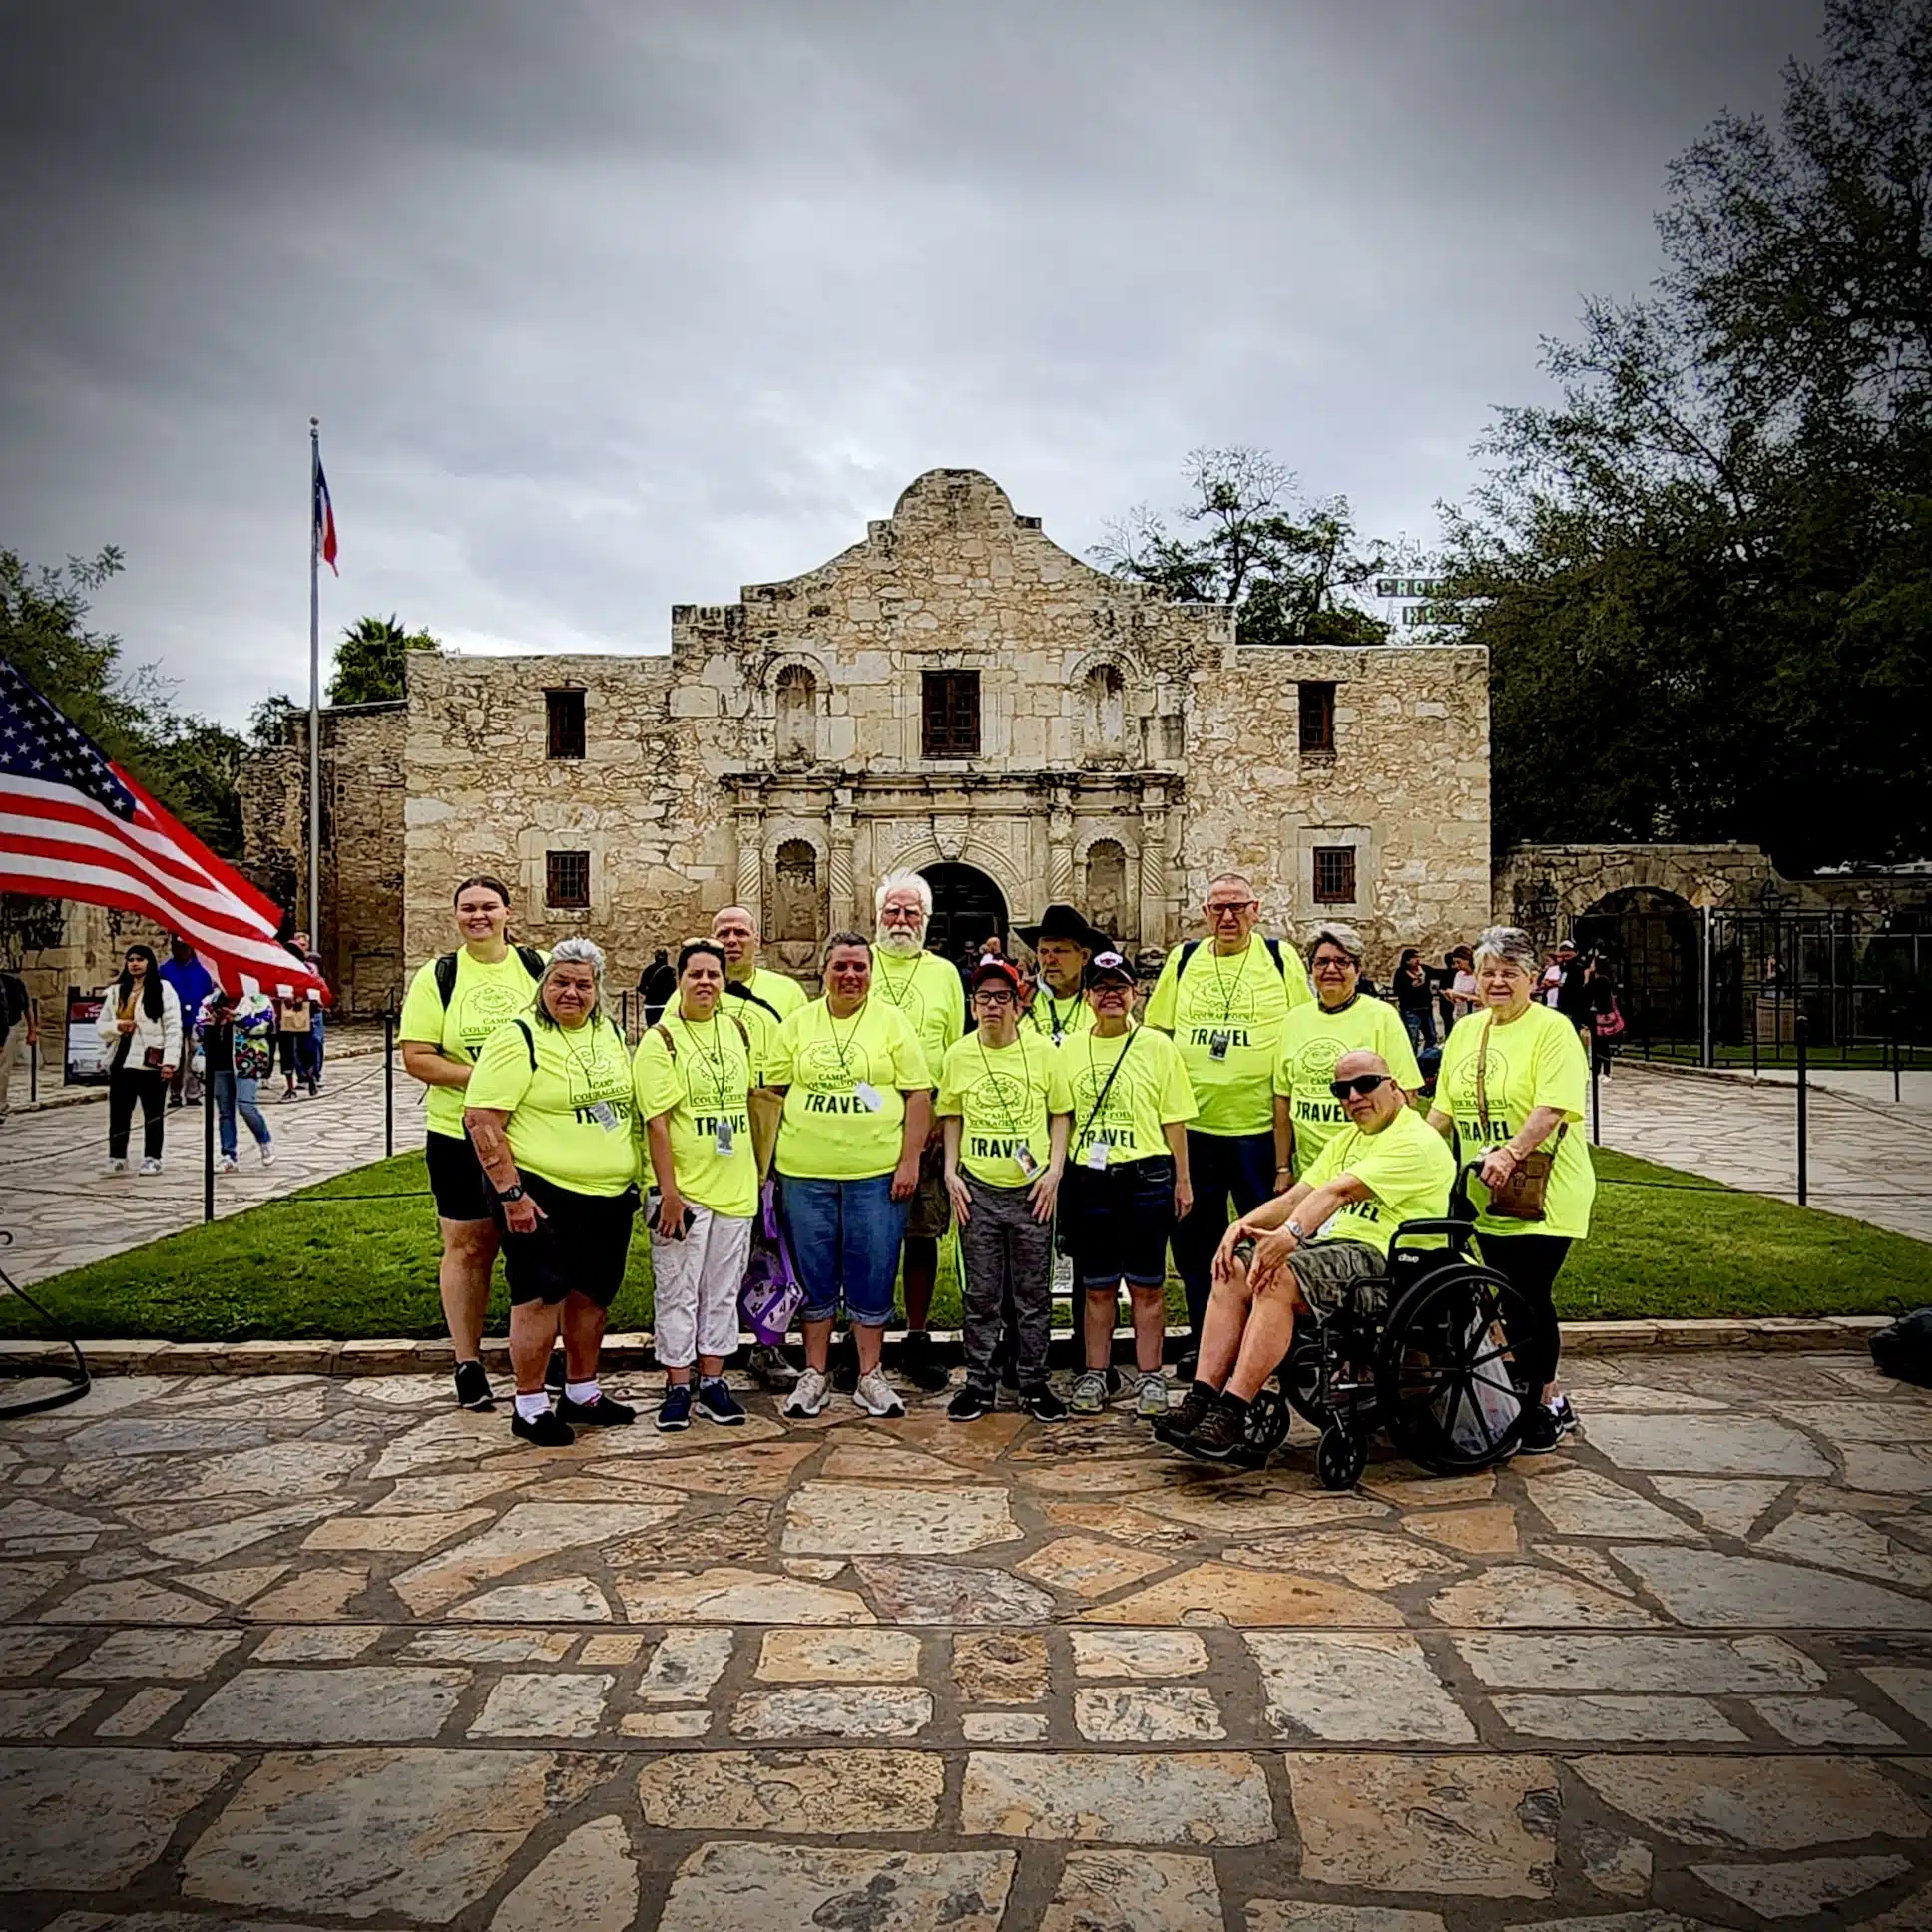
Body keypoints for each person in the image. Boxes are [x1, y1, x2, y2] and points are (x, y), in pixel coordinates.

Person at [1170, 1049, 1454, 1459]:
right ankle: (1202, 1397)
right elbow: (1300, 1195)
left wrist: (1289, 1235)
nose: (1354, 1096)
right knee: (1231, 1269)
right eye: (1342, 1090)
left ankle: (1234, 1409)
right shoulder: (1349, 1139)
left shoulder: (1417, 1141)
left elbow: (1336, 1194)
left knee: (1280, 1274)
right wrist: (1239, 1226)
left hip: (1389, 1259)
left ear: (1394, 1086)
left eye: (1366, 1084)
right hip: (1334, 1249)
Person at [465, 938, 640, 1447]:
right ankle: (530, 1402)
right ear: (543, 985)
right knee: (540, 1296)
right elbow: (481, 1119)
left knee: (591, 1297)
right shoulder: (516, 1038)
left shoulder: (607, 1032)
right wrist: (510, 1193)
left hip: (607, 1193)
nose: (571, 993)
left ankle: (581, 1391)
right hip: (542, 1191)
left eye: (583, 984)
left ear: (597, 989)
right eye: (560, 982)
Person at [1429, 925, 1595, 1454]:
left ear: (1531, 978)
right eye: (1488, 973)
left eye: (1509, 973)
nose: (1497, 982)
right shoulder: (1466, 1031)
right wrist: (1411, 1155)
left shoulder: (1553, 1030)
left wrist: (1510, 1151)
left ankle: (1546, 1400)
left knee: (1527, 1294)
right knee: (1500, 1297)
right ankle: (1515, 1389)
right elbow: (1443, 1110)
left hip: (1542, 1189)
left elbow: (1551, 1106)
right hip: (1484, 1192)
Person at [1144, 872, 1311, 1365]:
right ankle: (1207, 1341)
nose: (1229, 917)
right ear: (1205, 913)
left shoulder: (1280, 961)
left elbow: (1303, 1030)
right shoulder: (1185, 959)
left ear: (1256, 910)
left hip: (1259, 1131)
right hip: (1195, 1130)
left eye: (1238, 907)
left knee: (1270, 1242)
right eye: (1219, 908)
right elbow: (1158, 1030)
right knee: (1198, 1248)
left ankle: (1270, 1344)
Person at [763, 930, 932, 1420]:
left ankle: (869, 1375)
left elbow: (917, 1095)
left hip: (876, 1174)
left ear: (871, 973)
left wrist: (910, 1159)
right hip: (804, 1172)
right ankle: (814, 1372)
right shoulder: (797, 1026)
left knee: (873, 1269)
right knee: (813, 1274)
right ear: (825, 972)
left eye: (860, 967)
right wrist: (764, 1165)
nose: (851, 976)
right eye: (841, 966)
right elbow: (772, 1094)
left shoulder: (892, 1025)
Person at [398, 875, 548, 1411]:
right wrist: (484, 1078)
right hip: (457, 1132)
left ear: (509, 912)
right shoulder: (438, 976)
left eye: (488, 907)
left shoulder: (537, 968)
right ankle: (468, 1362)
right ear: (456, 916)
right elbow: (417, 1056)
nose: (478, 916)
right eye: (467, 908)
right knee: (468, 1247)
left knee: (534, 1246)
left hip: (530, 1133)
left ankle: (533, 1356)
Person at [634, 939, 770, 1430]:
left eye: (714, 974)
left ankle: (713, 1377)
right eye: (696, 974)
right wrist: (668, 1192)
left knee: (721, 1288)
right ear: (680, 979)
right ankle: (676, 1381)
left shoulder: (735, 1030)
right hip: (684, 1191)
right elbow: (658, 1122)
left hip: (733, 1185)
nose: (706, 983)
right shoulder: (662, 1040)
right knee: (677, 1289)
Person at [936, 957, 1073, 1421]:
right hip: (978, 1188)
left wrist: (1053, 1171)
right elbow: (951, 1115)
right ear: (973, 1006)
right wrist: (952, 1172)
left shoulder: (1042, 1053)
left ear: (1018, 1004)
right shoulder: (959, 1055)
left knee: (1033, 1294)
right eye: (983, 998)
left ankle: (1033, 1380)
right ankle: (979, 1382)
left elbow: (1060, 1113)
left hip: (1031, 1189)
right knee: (981, 1293)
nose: (992, 1006)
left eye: (1002, 997)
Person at [1062, 951, 1197, 1417]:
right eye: (1101, 988)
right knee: (1097, 1286)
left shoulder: (1157, 1047)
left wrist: (1182, 1178)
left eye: (1119, 987)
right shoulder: (1071, 1049)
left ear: (1135, 993)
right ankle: (1096, 1373)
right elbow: (1061, 1115)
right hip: (1091, 1178)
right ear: (1087, 997)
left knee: (1147, 1285)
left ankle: (1150, 1376)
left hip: (1146, 1173)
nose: (1110, 996)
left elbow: (1174, 1117)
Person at [865, 872, 965, 1393]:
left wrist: (939, 1119)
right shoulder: (862, 964)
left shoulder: (945, 974)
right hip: (868, 1124)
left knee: (922, 1234)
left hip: (926, 1128)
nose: (901, 922)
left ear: (925, 921)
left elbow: (954, 1051)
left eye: (911, 914)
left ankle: (918, 1333)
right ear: (878, 916)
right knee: (867, 1238)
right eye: (893, 912)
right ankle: (866, 1336)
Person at [711, 905, 809, 1392]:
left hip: (771, 1126)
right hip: (711, 1134)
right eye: (723, 933)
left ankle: (768, 1343)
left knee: (771, 1243)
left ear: (757, 939)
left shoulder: (786, 992)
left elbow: (801, 1054)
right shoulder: (699, 983)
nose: (732, 941)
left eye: (740, 932)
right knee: (716, 1245)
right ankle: (710, 1345)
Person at [1272, 925, 1423, 1192]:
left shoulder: (1381, 1016)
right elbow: (1283, 1097)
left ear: (1358, 970)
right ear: (1312, 970)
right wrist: (1283, 1166)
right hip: (1312, 1170)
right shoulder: (1293, 1020)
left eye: (1342, 962)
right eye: (1322, 962)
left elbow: (1406, 1094)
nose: (1331, 970)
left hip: (1367, 1168)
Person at [98, 944, 181, 1175]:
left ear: (149, 963)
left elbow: (173, 1027)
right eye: (131, 959)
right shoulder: (117, 991)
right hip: (122, 1058)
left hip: (150, 1061)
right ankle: (117, 1156)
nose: (134, 964)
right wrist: (118, 1026)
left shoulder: (163, 989)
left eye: (140, 959)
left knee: (153, 1112)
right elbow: (102, 1024)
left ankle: (152, 1157)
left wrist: (170, 1061)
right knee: (119, 1112)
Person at [193, 984, 277, 1172]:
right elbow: (197, 1028)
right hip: (219, 1059)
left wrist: (237, 1018)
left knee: (246, 1105)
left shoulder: (258, 1000)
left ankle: (265, 1140)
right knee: (225, 1110)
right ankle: (228, 1154)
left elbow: (264, 1025)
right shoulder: (211, 1001)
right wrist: (213, 1021)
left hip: (247, 1060)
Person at [1015, 903, 1103, 1046]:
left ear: (1084, 956)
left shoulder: (1104, 1001)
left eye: (1059, 951)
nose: (1049, 960)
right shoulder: (1019, 998)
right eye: (1043, 952)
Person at [158, 938, 215, 1108]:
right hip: (174, 1018)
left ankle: (193, 1092)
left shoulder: (202, 969)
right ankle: (175, 1093)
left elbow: (208, 992)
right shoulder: (165, 969)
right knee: (176, 1056)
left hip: (196, 1019)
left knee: (195, 1056)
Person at [292, 930, 326, 1091]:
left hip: (313, 1007)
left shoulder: (311, 966)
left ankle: (316, 1073)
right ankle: (302, 1076)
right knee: (298, 1043)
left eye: (304, 945)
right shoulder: (289, 966)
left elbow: (316, 985)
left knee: (316, 1040)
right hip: (295, 1008)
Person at [0, 967, 35, 1123]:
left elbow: (26, 1007)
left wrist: (32, 1031)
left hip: (9, 1026)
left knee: (3, 1069)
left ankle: (0, 1106)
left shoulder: (12, 983)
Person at [1391, 947, 1437, 1057]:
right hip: (1410, 1010)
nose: (1417, 960)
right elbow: (1398, 990)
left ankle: (1428, 1059)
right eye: (1414, 958)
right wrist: (1411, 987)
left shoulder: (1424, 970)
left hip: (1425, 1008)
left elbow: (1438, 973)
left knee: (1431, 1036)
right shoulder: (1401, 973)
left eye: (1418, 957)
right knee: (1412, 1038)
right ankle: (1413, 1061)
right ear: (1407, 960)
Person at [1585, 957, 1624, 1082]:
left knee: (1602, 1045)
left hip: (1603, 1016)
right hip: (1598, 1015)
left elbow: (1590, 993)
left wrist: (1586, 978)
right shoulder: (1597, 980)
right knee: (1597, 1045)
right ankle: (1597, 1071)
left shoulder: (1602, 981)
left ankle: (1606, 1072)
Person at [1443, 946, 1479, 1035]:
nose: (1457, 966)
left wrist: (1459, 994)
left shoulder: (1478, 975)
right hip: (1459, 1014)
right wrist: (1450, 996)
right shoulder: (1459, 975)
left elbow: (1480, 1000)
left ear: (1467, 960)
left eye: (1459, 962)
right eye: (1455, 963)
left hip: (1474, 1015)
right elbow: (1456, 996)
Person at [639, 949, 677, 1028]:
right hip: (665, 1006)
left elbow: (642, 989)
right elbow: (673, 990)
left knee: (653, 1031)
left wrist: (651, 993)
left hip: (650, 1006)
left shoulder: (648, 970)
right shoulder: (669, 971)